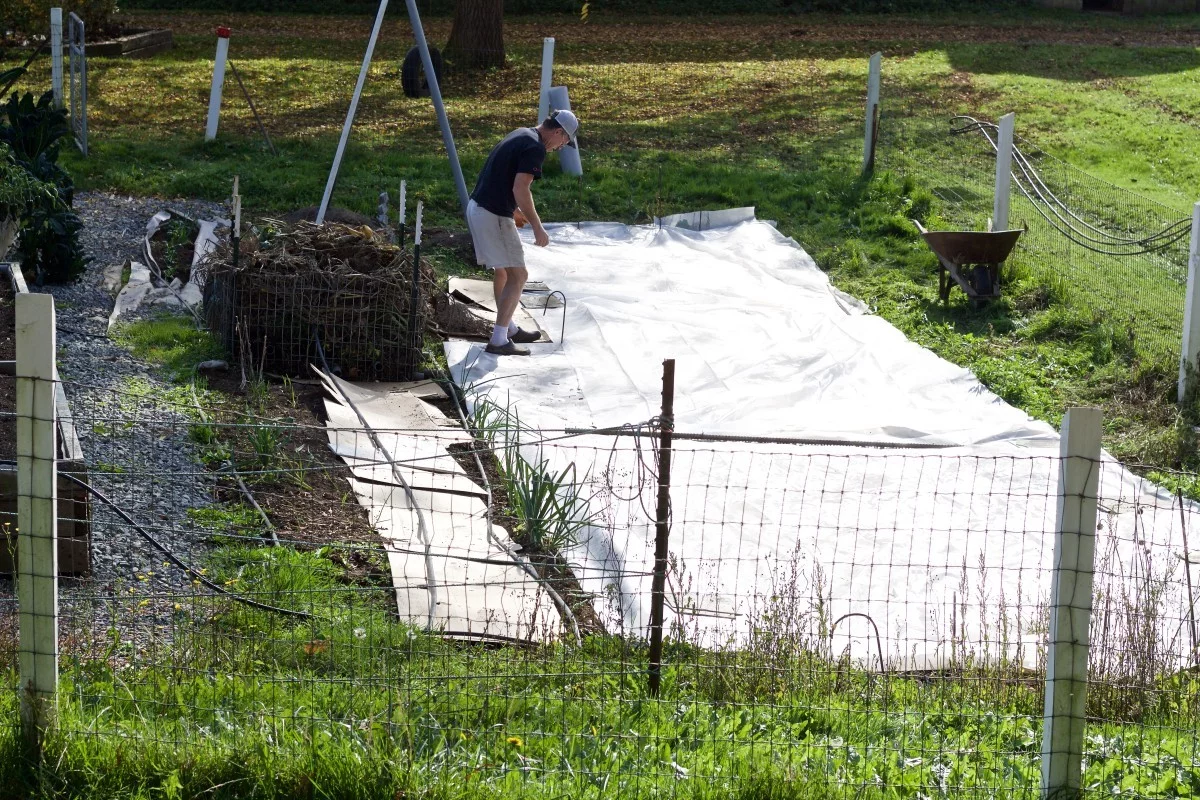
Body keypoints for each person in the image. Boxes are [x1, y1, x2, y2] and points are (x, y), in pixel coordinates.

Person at [466, 109, 579, 356]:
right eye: (564, 142)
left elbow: (501, 177)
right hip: (492, 214)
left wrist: (514, 210)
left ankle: (508, 329)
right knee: (519, 276)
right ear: (558, 132)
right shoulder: (536, 148)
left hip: (480, 207)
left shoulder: (522, 133)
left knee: (504, 272)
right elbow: (521, 188)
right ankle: (498, 340)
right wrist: (537, 226)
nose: (560, 148)